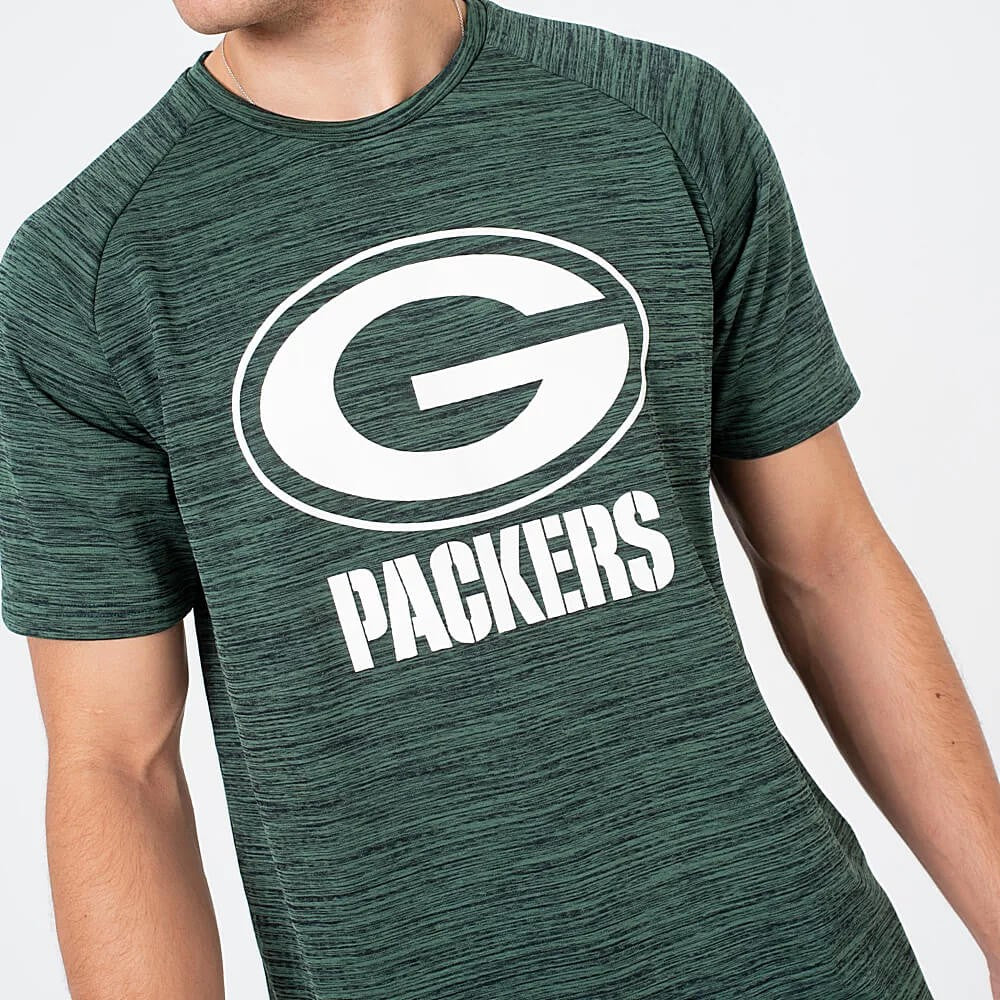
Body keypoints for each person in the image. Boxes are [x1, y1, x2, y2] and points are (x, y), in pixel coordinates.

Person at [0, 0, 997, 996]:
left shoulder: (659, 119)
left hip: (792, 959)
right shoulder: (82, 274)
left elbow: (828, 562)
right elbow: (116, 764)